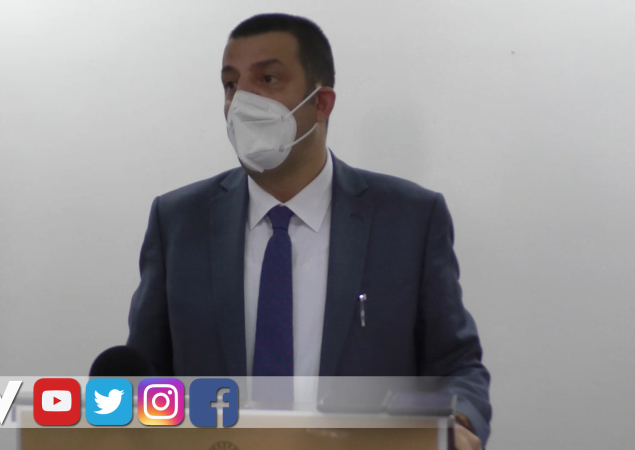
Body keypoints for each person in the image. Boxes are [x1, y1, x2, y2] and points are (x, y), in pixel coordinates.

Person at [126, 13, 491, 449]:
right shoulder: (179, 221)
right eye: (230, 84)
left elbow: (457, 365)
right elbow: (144, 372)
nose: (242, 100)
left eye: (268, 79)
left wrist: (456, 424)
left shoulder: (409, 220)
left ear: (321, 103)